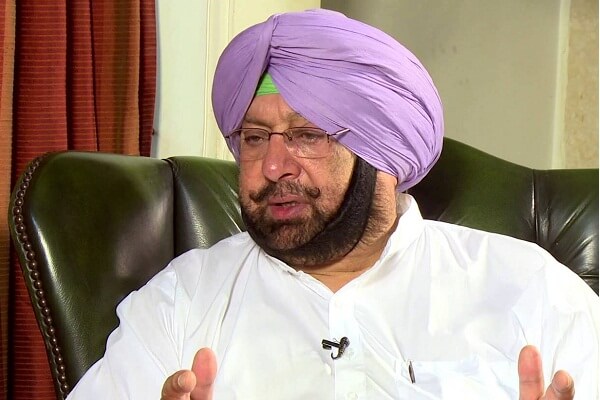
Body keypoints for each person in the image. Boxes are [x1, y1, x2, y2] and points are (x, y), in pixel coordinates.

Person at [67, 9, 598, 400]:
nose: (273, 167)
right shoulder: (182, 302)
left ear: (383, 154)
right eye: (254, 138)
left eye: (307, 136)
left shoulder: (531, 290)